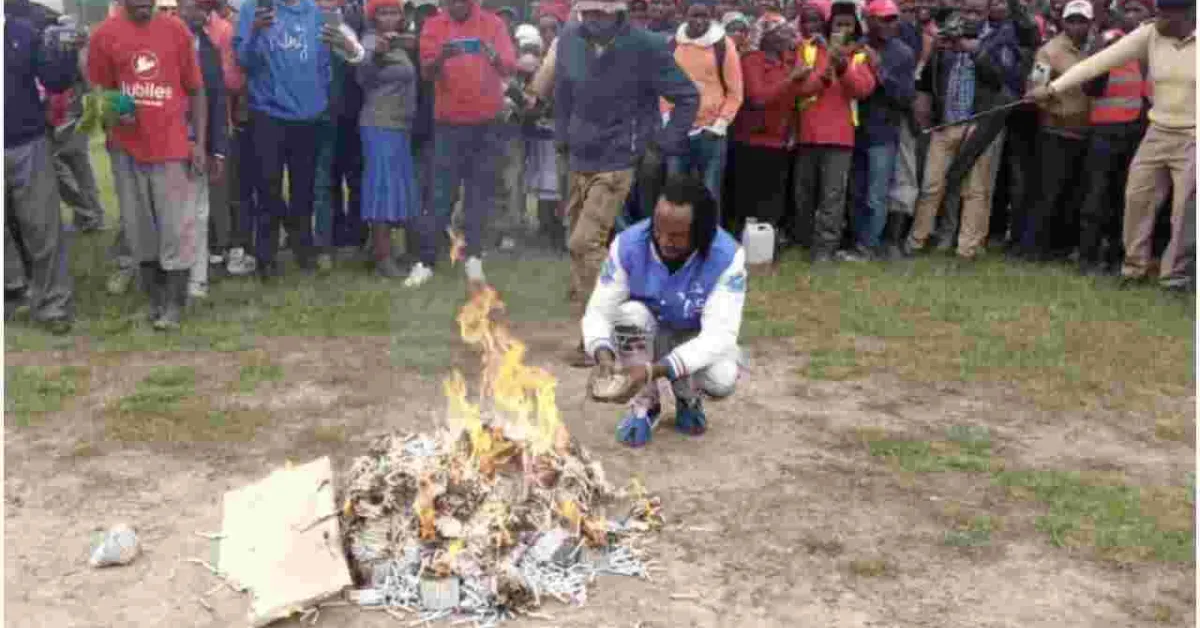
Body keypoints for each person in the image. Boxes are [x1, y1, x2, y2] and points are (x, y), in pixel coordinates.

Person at [553, 0, 700, 366]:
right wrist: (563, 137)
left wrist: (661, 144)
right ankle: (607, 328)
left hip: (619, 159)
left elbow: (687, 97)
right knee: (579, 249)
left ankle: (603, 337)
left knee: (585, 243)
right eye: (587, 12)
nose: (593, 19)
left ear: (618, 12)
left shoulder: (646, 45)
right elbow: (563, 93)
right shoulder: (569, 39)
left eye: (601, 13)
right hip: (579, 157)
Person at [1029, 0, 1195, 291]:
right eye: (1158, 11)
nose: (1159, 18)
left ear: (1186, 14)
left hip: (1193, 135)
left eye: (1166, 13)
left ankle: (1175, 277)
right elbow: (1098, 62)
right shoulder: (1151, 33)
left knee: (1185, 209)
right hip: (1157, 131)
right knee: (1136, 198)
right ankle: (1134, 269)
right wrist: (1053, 88)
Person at [583, 175, 746, 448]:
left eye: (677, 235)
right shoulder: (628, 244)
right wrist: (603, 356)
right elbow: (599, 310)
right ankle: (645, 403)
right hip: (647, 334)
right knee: (629, 314)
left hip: (692, 338)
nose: (663, 240)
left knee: (721, 377)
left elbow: (719, 336)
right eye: (658, 229)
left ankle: (687, 397)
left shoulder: (727, 257)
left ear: (702, 232)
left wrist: (654, 370)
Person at [89, 0, 207, 330]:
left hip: (171, 147)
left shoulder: (176, 30)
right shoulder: (104, 35)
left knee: (176, 228)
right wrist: (114, 111)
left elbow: (197, 90)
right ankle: (155, 301)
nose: (145, 3)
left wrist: (199, 142)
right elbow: (100, 92)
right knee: (140, 230)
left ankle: (175, 304)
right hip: (127, 150)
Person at [234, 0, 364, 281]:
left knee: (303, 189)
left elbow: (335, 59)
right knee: (268, 188)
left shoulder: (315, 12)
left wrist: (321, 94)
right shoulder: (253, 8)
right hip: (269, 114)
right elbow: (244, 61)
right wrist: (255, 31)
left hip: (309, 115)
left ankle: (303, 250)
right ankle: (266, 257)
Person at [408, 0, 516, 287]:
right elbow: (426, 73)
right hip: (449, 124)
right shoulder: (434, 25)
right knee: (440, 195)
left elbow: (509, 66)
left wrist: (493, 56)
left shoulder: (493, 24)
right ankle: (426, 261)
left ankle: (474, 257)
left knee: (479, 194)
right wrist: (441, 57)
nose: (455, 4)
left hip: (486, 124)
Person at [905, 0, 1019, 261]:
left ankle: (966, 250)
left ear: (987, 12)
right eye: (967, 11)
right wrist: (939, 47)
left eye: (977, 12)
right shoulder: (946, 36)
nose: (971, 16)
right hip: (945, 124)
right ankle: (916, 241)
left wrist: (974, 50)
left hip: (979, 125)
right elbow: (928, 80)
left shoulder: (997, 39)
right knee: (931, 186)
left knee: (974, 191)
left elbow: (1002, 79)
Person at [5, 7, 80, 333]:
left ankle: (52, 305)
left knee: (43, 228)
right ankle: (12, 291)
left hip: (27, 142)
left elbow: (56, 81)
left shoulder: (23, 31)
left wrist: (66, 51)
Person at [792, 0, 877, 263]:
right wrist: (827, 71)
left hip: (840, 136)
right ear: (830, 25)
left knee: (832, 197)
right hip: (808, 132)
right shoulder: (809, 49)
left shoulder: (860, 56)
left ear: (855, 27)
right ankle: (804, 242)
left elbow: (863, 90)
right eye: (838, 24)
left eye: (848, 25)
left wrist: (843, 68)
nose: (842, 29)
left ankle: (825, 249)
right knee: (803, 194)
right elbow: (800, 88)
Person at [1075, 0, 1152, 276]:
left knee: (1128, 198)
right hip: (1106, 131)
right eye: (1127, 10)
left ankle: (1118, 258)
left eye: (1137, 10)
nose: (1131, 16)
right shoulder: (1107, 40)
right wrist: (1105, 57)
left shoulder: (1156, 44)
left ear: (1150, 15)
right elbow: (1089, 87)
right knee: (1096, 196)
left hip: (1142, 131)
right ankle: (1087, 258)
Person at [1015, 0, 1093, 262]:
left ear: (1090, 23)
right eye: (1072, 20)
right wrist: (1051, 104)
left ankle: (1060, 248)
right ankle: (1033, 249)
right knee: (1047, 193)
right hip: (1056, 131)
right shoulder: (1049, 51)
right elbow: (1035, 88)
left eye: (1082, 21)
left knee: (1074, 194)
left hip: (1088, 131)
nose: (1077, 26)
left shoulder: (1097, 47)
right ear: (1063, 22)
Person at [663, 0, 744, 219]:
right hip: (679, 131)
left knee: (709, 192)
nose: (699, 21)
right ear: (685, 15)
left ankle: (710, 237)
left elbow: (735, 92)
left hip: (711, 133)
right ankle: (676, 236)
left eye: (704, 16)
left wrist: (720, 124)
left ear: (711, 16)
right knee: (675, 192)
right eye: (694, 15)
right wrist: (668, 120)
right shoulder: (673, 44)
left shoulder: (722, 44)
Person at [357, 0, 419, 276]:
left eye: (394, 12)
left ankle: (387, 251)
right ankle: (383, 257)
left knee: (396, 188)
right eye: (383, 12)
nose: (390, 17)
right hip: (380, 124)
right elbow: (362, 77)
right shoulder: (369, 42)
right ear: (374, 17)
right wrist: (377, 56)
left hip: (400, 126)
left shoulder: (400, 43)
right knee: (382, 189)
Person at [850, 0, 915, 260]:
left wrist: (879, 70)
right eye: (884, 19)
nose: (890, 24)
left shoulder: (903, 53)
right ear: (869, 20)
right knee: (855, 191)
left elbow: (905, 97)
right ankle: (857, 242)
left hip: (883, 132)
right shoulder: (857, 45)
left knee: (876, 195)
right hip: (854, 129)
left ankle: (869, 246)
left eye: (893, 19)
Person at [179, 0, 230, 301]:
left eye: (203, 7)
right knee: (173, 215)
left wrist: (217, 150)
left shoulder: (209, 47)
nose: (198, 13)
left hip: (200, 145)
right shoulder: (164, 40)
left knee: (199, 212)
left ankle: (197, 279)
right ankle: (171, 275)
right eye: (192, 5)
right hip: (165, 144)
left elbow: (218, 99)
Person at [312, 0, 368, 272]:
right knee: (326, 179)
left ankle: (356, 236)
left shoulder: (358, 15)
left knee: (356, 176)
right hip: (321, 111)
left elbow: (362, 57)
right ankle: (329, 239)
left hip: (354, 109)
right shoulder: (309, 18)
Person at [729, 21, 800, 234]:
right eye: (783, 33)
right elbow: (758, 97)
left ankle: (766, 242)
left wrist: (825, 73)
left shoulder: (785, 64)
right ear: (768, 36)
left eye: (791, 34)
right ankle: (742, 241)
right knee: (748, 200)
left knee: (772, 200)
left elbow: (800, 92)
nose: (790, 38)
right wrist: (791, 79)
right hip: (752, 141)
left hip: (777, 141)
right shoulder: (752, 60)